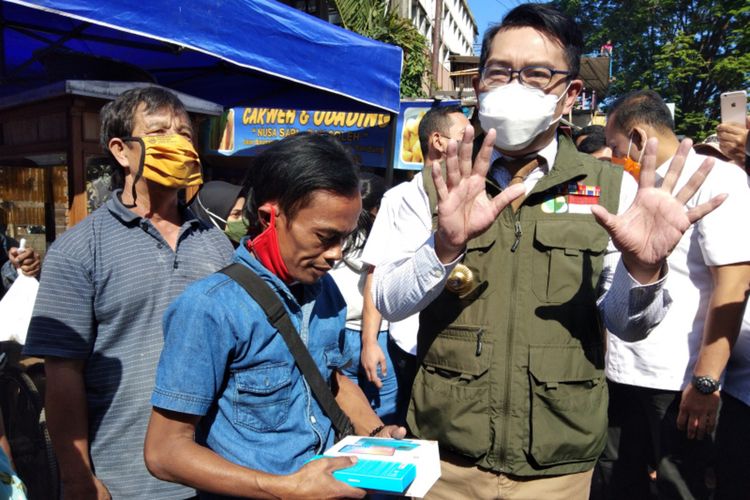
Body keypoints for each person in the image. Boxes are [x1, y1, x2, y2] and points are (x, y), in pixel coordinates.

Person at [369, 4, 725, 499]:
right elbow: (388, 299)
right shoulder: (432, 183)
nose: (514, 87)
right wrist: (444, 247)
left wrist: (645, 270)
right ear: (479, 85)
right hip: (445, 454)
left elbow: (628, 324)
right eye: (499, 72)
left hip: (558, 462)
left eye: (537, 75)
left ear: (570, 94)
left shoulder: (610, 186)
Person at [144, 132, 407, 499]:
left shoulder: (324, 289)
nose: (336, 255)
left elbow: (327, 378)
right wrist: (287, 489)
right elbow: (164, 452)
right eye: (324, 237)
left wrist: (377, 436)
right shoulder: (210, 308)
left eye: (344, 239)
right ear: (271, 217)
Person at [23, 86, 234, 499]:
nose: (177, 143)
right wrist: (78, 477)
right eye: (158, 132)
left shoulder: (215, 241)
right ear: (121, 150)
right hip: (127, 480)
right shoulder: (80, 249)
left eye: (185, 134)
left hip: (218, 471)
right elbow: (63, 376)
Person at [602, 90, 750, 500]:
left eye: (616, 147)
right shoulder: (627, 185)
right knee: (618, 484)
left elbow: (733, 284)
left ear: (636, 136)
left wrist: (705, 383)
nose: (615, 157)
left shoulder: (718, 179)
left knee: (678, 487)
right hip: (620, 375)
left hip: (677, 384)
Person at [360, 105, 470, 426]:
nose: (472, 145)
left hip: (461, 345)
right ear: (438, 140)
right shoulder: (398, 199)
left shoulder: (478, 195)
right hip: (407, 345)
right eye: (465, 137)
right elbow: (376, 273)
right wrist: (370, 342)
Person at [328, 173, 398, 422]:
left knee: (346, 404)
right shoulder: (387, 241)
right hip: (378, 335)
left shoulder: (334, 237)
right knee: (382, 407)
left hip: (340, 330)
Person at [189, 180, 248, 246]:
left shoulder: (245, 247)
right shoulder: (201, 253)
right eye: (236, 214)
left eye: (245, 213)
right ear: (213, 215)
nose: (246, 222)